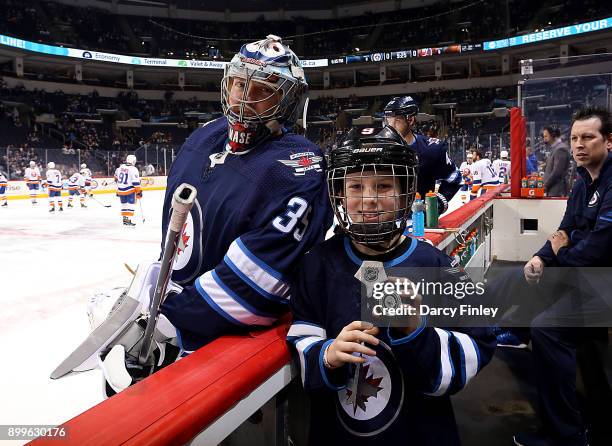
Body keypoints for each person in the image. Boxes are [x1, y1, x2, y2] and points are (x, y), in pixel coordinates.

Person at [80, 35, 332, 395]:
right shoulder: (206, 135)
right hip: (172, 311)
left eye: (262, 90)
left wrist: (170, 322)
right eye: (239, 84)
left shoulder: (299, 164)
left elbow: (258, 284)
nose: (244, 98)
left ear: (287, 101)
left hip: (218, 339)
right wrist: (149, 303)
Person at [288, 126, 495, 444]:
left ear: (404, 191)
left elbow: (478, 341)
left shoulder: (435, 265)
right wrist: (327, 355)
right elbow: (302, 338)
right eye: (356, 186)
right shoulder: (317, 264)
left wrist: (415, 330)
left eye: (383, 185)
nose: (368, 200)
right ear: (340, 193)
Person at [510, 107, 612, 446]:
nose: (579, 145)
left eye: (588, 137)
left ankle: (567, 435)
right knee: (519, 286)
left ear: (608, 141)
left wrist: (558, 252)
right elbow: (566, 230)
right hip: (588, 278)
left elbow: (595, 250)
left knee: (546, 328)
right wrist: (541, 256)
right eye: (574, 138)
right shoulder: (584, 181)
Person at [383, 96, 461, 214]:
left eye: (397, 120)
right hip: (384, 222)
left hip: (418, 222)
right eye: (388, 120)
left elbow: (454, 178)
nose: (390, 126)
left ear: (410, 120)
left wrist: (436, 204)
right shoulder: (378, 148)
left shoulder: (431, 149)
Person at [542, 126, 571, 197]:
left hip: (557, 190)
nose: (544, 139)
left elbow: (557, 172)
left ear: (553, 135)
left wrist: (545, 186)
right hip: (553, 189)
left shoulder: (560, 149)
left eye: (546, 136)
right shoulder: (556, 148)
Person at [114, 155, 141, 226]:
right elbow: (135, 182)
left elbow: (116, 177)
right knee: (130, 204)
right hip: (129, 190)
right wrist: (139, 191)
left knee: (124, 204)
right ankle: (128, 219)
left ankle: (125, 219)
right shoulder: (134, 169)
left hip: (120, 190)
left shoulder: (121, 167)